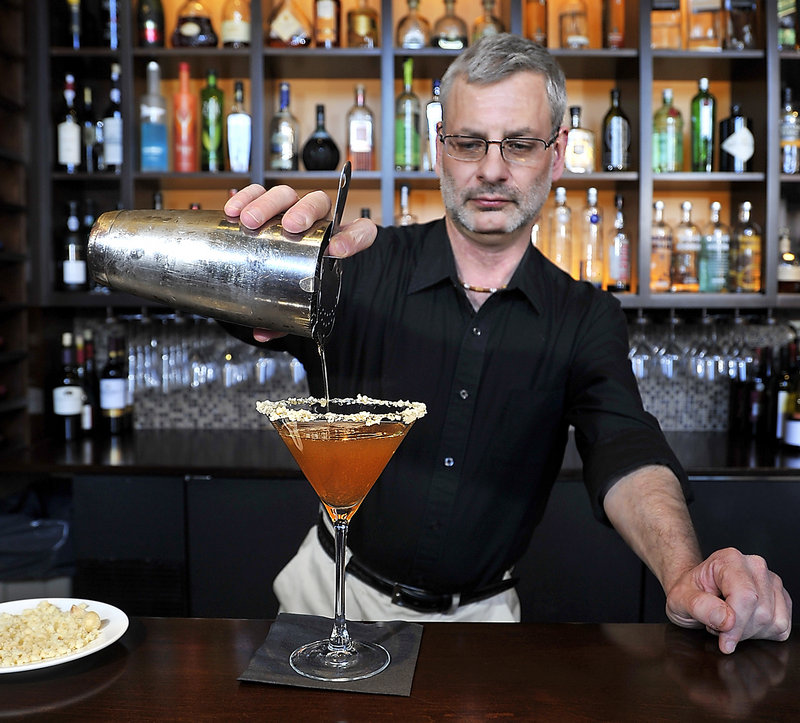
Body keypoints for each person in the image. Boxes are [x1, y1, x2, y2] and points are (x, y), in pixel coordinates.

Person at [224, 34, 791, 652]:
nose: (492, 169)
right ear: (440, 149)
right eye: (469, 143)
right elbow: (243, 309)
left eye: (520, 145)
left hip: (483, 628)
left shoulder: (584, 316)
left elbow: (626, 450)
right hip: (327, 596)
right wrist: (243, 256)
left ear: (558, 152)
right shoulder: (356, 265)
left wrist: (682, 571)